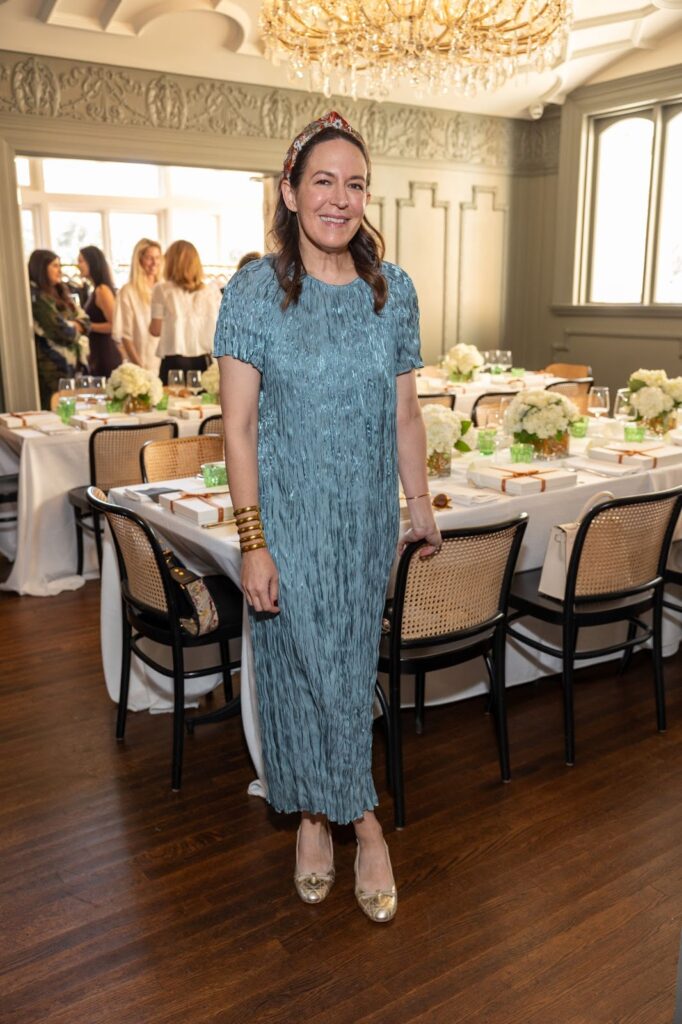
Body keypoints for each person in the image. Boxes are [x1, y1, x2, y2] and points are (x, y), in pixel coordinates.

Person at [214, 111, 441, 924]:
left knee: (346, 678)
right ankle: (355, 822)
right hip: (288, 525)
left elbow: (405, 416)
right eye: (322, 181)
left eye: (355, 184)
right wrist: (253, 543)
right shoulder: (254, 290)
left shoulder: (394, 291)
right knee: (296, 676)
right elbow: (237, 428)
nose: (340, 200)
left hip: (365, 525)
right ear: (289, 190)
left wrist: (418, 506)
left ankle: (319, 815)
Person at [150, 240, 220, 384]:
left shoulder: (162, 290)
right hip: (204, 360)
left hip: (174, 360)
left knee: (172, 403)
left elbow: (156, 330)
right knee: (203, 404)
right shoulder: (212, 292)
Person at [28, 249, 90, 409]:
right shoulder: (36, 298)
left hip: (73, 368)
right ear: (41, 268)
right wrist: (74, 325)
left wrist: (72, 324)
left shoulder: (61, 292)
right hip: (53, 370)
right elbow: (62, 332)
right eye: (55, 266)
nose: (60, 270)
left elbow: (85, 320)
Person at [111, 237, 163, 373]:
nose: (154, 263)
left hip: (167, 362)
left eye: (157, 257)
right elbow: (125, 335)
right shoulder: (128, 292)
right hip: (144, 363)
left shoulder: (165, 289)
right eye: (149, 258)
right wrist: (141, 367)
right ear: (139, 259)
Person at [77, 245, 122, 377]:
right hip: (98, 350)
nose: (78, 265)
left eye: (81, 261)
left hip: (106, 352)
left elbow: (114, 325)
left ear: (92, 263)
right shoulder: (95, 290)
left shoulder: (102, 290)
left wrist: (86, 326)